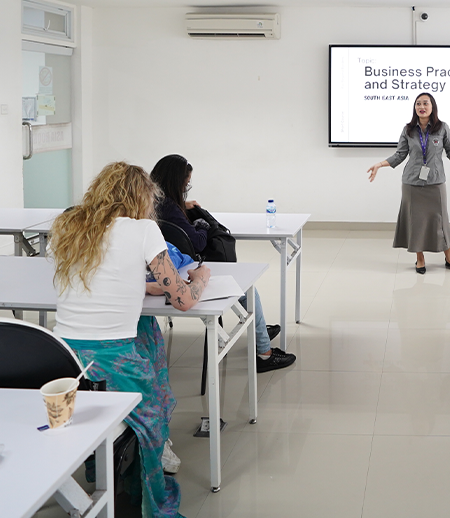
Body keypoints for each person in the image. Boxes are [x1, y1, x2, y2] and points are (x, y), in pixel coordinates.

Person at [50, 161, 211, 518]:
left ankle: (98, 467)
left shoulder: (67, 226)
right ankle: (152, 495)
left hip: (61, 358)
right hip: (114, 361)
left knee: (146, 328)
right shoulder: (143, 230)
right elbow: (183, 300)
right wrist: (202, 277)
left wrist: (140, 285)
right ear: (140, 198)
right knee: (151, 417)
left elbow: (97, 280)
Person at [150, 154, 296, 373]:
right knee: (249, 291)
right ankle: (264, 353)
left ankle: (260, 331)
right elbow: (197, 242)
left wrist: (183, 206)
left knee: (247, 292)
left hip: (162, 270)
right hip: (184, 272)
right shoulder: (172, 209)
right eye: (185, 184)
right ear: (176, 183)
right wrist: (202, 224)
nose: (187, 188)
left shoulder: (151, 206)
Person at [367, 93, 450, 274]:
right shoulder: (408, 130)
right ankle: (419, 259)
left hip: (435, 181)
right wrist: (380, 164)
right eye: (418, 104)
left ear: (432, 106)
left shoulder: (442, 127)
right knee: (416, 221)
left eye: (425, 103)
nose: (421, 106)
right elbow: (400, 154)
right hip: (412, 183)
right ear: (415, 108)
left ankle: (449, 258)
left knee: (441, 220)